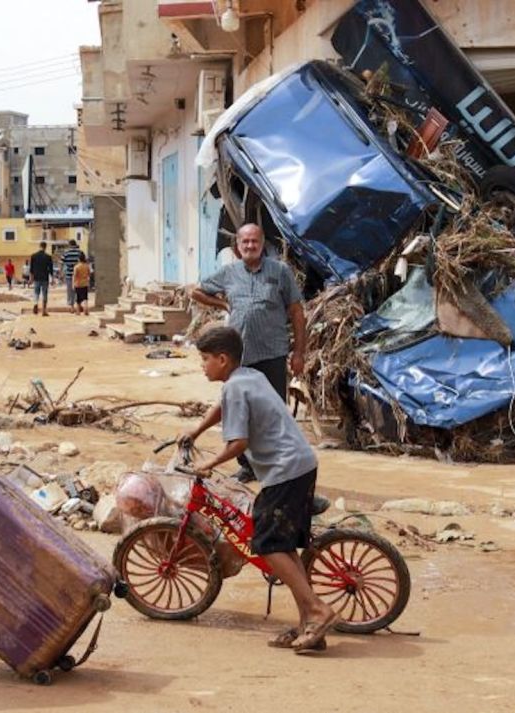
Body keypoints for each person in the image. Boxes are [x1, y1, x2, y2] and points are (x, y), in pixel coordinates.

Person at [179, 326, 336, 653]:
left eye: (205, 359)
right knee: (284, 546)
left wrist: (208, 465)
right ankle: (308, 623)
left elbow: (239, 443)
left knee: (264, 543)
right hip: (300, 464)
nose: (202, 365)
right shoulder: (247, 377)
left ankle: (319, 611)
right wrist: (195, 431)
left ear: (222, 360)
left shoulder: (236, 388)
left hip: (285, 470)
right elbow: (222, 407)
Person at [190, 223, 306, 482]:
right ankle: (247, 465)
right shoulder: (228, 273)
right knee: (238, 411)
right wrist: (222, 303)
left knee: (272, 412)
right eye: (245, 242)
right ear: (238, 246)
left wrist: (299, 353)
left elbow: (297, 313)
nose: (250, 246)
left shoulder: (280, 272)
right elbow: (195, 291)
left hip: (272, 353)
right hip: (239, 357)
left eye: (255, 241)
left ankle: (278, 464)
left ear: (262, 244)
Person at [29, 241, 54, 316]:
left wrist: (31, 278)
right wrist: (52, 279)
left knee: (36, 292)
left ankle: (36, 303)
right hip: (45, 278)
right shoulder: (48, 257)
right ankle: (44, 310)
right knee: (44, 294)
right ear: (45, 247)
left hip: (36, 277)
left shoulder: (34, 256)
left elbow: (31, 269)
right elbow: (51, 269)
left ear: (39, 246)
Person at [61, 239, 82, 313]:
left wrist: (61, 272)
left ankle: (71, 306)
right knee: (78, 290)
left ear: (69, 245)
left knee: (70, 291)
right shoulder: (80, 252)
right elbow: (84, 261)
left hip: (69, 274)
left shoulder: (66, 253)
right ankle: (78, 306)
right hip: (79, 275)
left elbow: (62, 263)